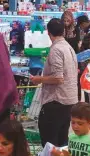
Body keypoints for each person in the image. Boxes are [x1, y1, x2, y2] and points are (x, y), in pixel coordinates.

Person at [31, 18, 78, 147]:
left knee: (50, 145)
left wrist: (38, 79)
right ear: (63, 31)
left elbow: (58, 78)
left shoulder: (56, 49)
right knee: (61, 143)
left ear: (48, 32)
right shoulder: (68, 47)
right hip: (68, 101)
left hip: (56, 101)